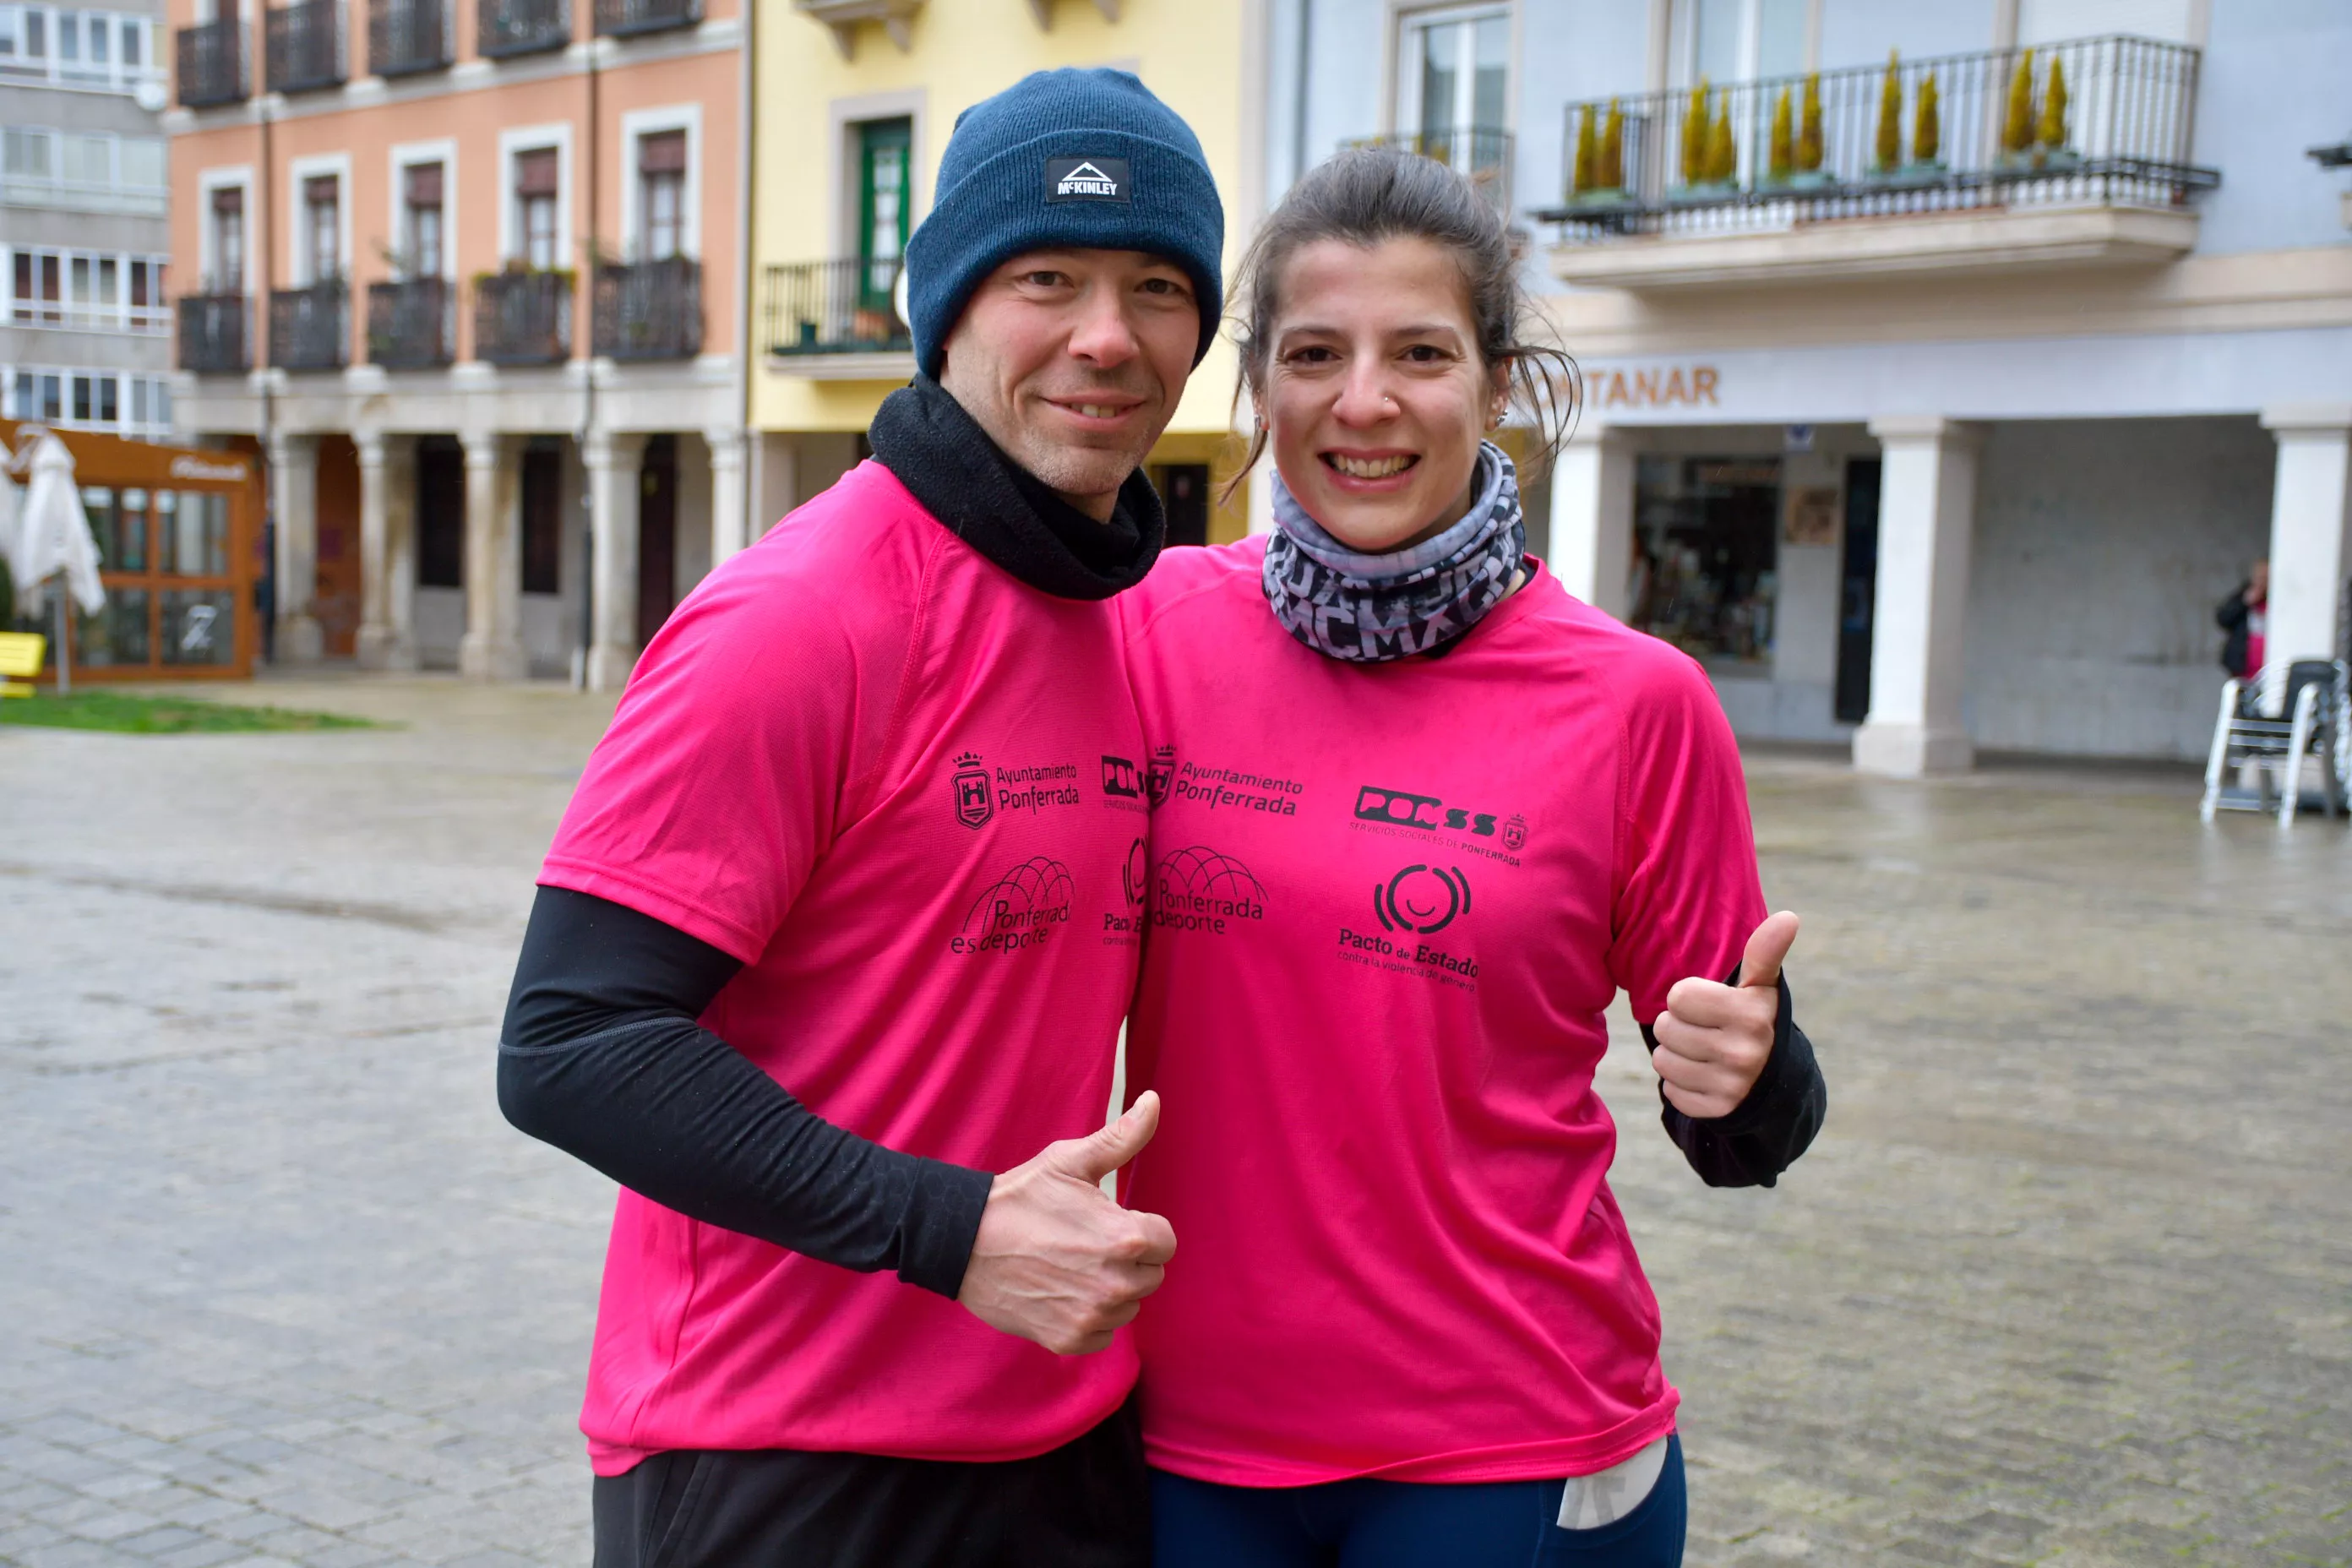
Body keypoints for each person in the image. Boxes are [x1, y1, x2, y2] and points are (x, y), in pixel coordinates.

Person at [495, 68, 1224, 1568]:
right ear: (946, 306)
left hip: (1056, 1432)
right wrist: (946, 1231)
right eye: (1047, 279)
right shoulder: (800, 615)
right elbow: (569, 1043)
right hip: (781, 1451)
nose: (1106, 335)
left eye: (1157, 286)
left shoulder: (1128, 615)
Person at [1114, 148, 1827, 1566]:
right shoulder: (1144, 632)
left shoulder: (1634, 702)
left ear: (1495, 382)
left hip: (1507, 1443)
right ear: (1259, 384)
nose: (1361, 401)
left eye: (1419, 352)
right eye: (1314, 352)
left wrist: (1747, 1072)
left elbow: (1742, 1128)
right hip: (1183, 1437)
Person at [2216, 558, 2268, 678]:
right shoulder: (2244, 594)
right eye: (2258, 577)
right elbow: (2223, 618)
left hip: (2267, 667)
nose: (2261, 582)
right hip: (2244, 668)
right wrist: (2244, 602)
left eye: (2265, 578)